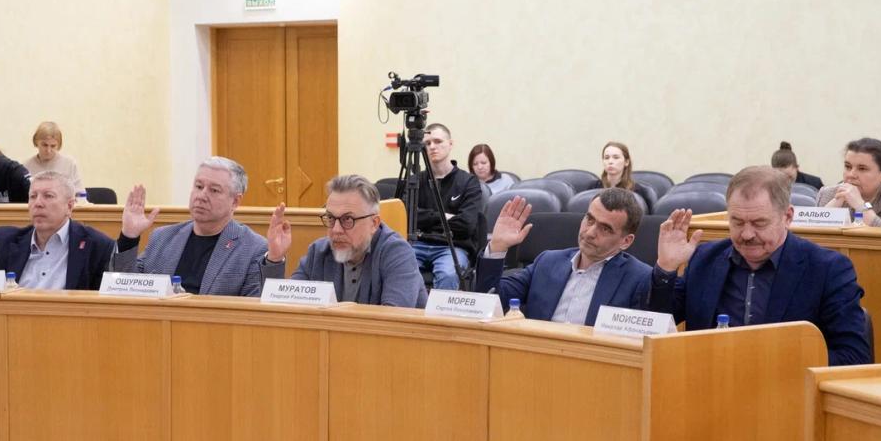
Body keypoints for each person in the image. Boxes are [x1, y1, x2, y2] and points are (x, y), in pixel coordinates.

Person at [649, 166, 869, 366]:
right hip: (709, 384)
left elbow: (853, 357)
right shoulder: (706, 258)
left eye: (759, 223)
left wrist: (767, 360)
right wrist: (666, 269)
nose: (747, 234)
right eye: (737, 222)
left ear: (787, 217)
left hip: (786, 389)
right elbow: (657, 327)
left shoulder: (827, 269)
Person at [475, 188, 651, 323]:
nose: (590, 232)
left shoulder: (639, 279)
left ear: (626, 241)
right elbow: (490, 300)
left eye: (605, 229)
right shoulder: (547, 262)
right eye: (590, 219)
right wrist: (497, 247)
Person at [263, 174, 427, 307]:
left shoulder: (397, 253)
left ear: (374, 223)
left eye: (348, 219)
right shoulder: (319, 252)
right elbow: (284, 309)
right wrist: (275, 259)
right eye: (331, 218)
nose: (336, 230)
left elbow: (391, 322)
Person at [110, 157, 266, 296]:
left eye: (214, 190)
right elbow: (124, 289)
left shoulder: (253, 248)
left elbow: (253, 311)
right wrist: (129, 237)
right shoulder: (162, 237)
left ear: (235, 201)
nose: (201, 196)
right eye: (198, 186)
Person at [0, 171, 113, 290]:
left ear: (69, 206)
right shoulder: (3, 241)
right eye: (33, 196)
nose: (38, 203)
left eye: (48, 196)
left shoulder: (97, 246)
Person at [413, 123, 483, 290]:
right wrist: (444, 217)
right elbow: (408, 217)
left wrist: (426, 219)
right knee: (397, 267)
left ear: (450, 144)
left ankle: (439, 309)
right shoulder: (415, 180)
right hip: (418, 244)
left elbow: (466, 225)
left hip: (452, 246)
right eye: (427, 143)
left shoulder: (468, 182)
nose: (432, 147)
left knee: (448, 274)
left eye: (438, 141)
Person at [816, 137, 881, 227]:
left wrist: (861, 206)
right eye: (848, 167)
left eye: (862, 169)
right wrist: (832, 208)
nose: (851, 174)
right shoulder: (828, 193)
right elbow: (814, 233)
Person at [23, 121, 85, 196]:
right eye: (44, 145)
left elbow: (80, 194)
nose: (48, 150)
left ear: (59, 145)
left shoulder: (69, 164)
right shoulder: (26, 166)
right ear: (36, 142)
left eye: (53, 146)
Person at [595, 141, 656, 209]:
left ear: (626, 162)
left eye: (616, 157)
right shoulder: (593, 187)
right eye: (606, 158)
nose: (610, 161)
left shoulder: (640, 192)